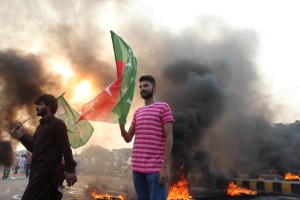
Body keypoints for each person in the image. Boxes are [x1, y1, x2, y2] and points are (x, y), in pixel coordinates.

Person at [119, 75, 174, 200]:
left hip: (155, 169)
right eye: (140, 87)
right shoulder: (138, 112)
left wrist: (164, 167)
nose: (142, 88)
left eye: (146, 86)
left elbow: (169, 137)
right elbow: (128, 138)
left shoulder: (163, 107)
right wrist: (122, 126)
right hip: (137, 169)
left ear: (154, 88)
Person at [15, 94, 77, 200]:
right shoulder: (40, 127)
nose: (37, 107)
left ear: (48, 107)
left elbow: (65, 147)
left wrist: (70, 170)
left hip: (47, 172)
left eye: (40, 104)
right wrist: (21, 135)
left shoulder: (58, 124)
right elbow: (34, 148)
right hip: (37, 171)